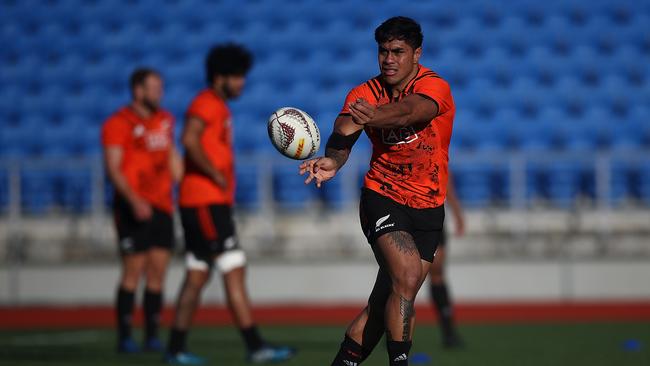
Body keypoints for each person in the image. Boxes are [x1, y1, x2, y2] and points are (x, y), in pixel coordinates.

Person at [300, 16, 455, 365]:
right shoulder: (363, 93)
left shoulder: (435, 87)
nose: (389, 59)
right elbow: (344, 131)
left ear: (417, 54)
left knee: (386, 302)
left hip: (429, 206)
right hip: (382, 195)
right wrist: (335, 160)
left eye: (398, 51)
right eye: (383, 51)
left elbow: (410, 113)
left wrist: (371, 117)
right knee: (408, 275)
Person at [164, 44, 295, 365]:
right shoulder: (206, 104)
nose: (241, 83)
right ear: (219, 76)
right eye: (236, 76)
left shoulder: (217, 106)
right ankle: (255, 346)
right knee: (234, 268)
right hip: (206, 202)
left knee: (197, 275)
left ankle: (176, 349)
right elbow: (188, 139)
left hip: (204, 203)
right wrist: (214, 174)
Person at [102, 68, 183, 353]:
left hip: (162, 205)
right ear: (138, 90)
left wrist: (184, 184)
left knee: (158, 271)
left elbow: (172, 157)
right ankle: (125, 335)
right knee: (133, 270)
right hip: (132, 206)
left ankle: (151, 335)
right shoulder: (118, 123)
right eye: (154, 87)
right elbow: (113, 168)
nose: (159, 92)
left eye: (160, 87)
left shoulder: (165, 121)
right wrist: (134, 201)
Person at [428, 171, 465, 348]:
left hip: (431, 217)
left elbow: (443, 176)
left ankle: (448, 332)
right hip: (404, 216)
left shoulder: (432, 147)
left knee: (437, 273)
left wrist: (457, 211)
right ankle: (389, 331)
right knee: (400, 278)